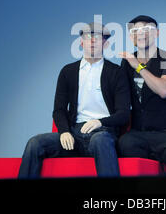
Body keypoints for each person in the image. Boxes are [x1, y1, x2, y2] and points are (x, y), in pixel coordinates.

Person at [18, 22, 130, 178]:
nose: (92, 41)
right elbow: (59, 110)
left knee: (100, 140)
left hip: (103, 133)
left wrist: (100, 122)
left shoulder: (116, 73)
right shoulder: (68, 71)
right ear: (81, 42)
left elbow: (124, 114)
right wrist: (64, 132)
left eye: (97, 37)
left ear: (106, 43)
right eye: (88, 37)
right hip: (74, 134)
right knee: (35, 143)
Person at [118, 15, 166, 176]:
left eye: (146, 29)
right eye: (136, 31)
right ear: (131, 37)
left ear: (156, 33)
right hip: (137, 133)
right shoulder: (126, 62)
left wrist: (137, 65)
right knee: (124, 144)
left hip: (165, 132)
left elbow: (165, 90)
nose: (141, 33)